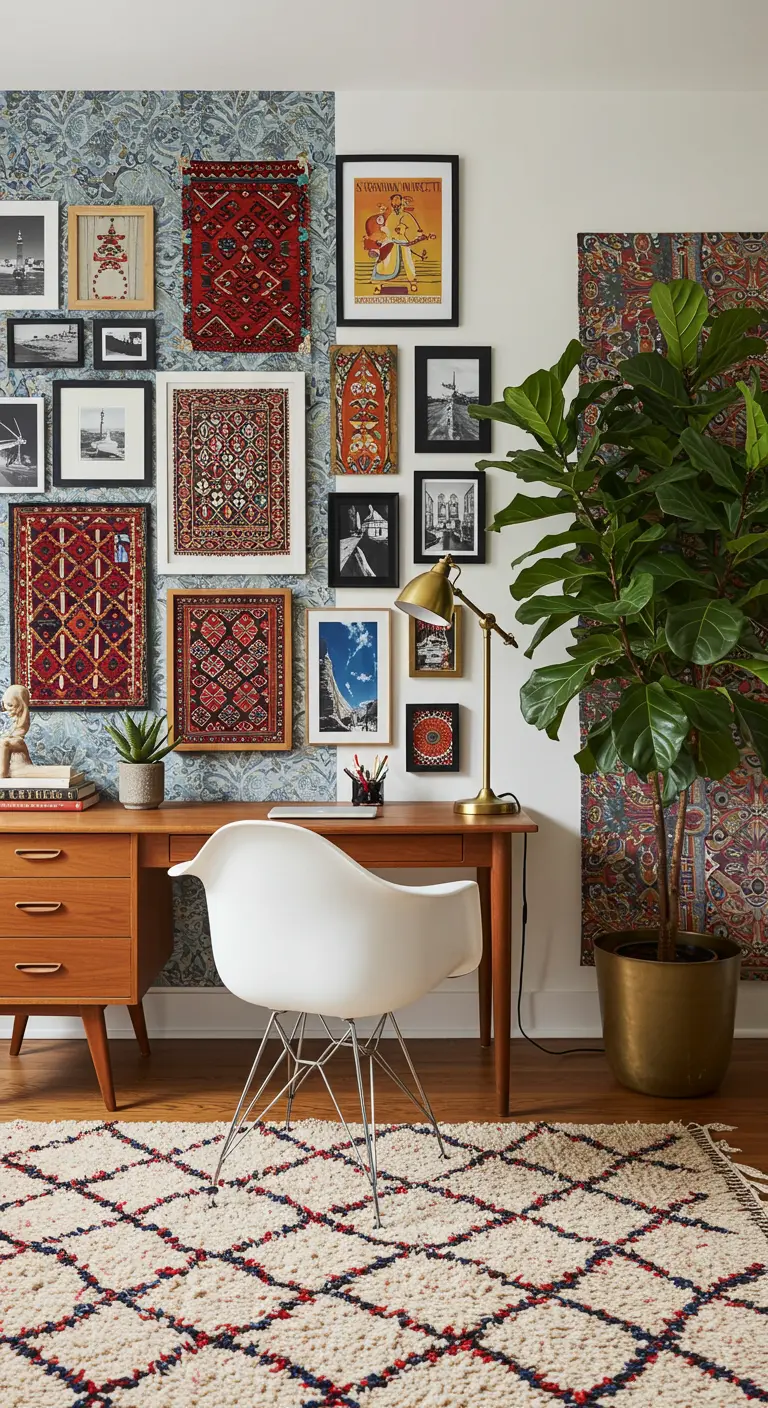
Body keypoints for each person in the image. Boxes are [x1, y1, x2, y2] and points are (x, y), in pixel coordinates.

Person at [370, 191, 434, 295]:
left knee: (408, 260)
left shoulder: (407, 215)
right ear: (391, 202)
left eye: (398, 199)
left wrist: (403, 229)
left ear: (401, 202)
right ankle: (378, 283)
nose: (396, 202)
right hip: (390, 242)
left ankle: (412, 282)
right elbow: (385, 230)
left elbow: (414, 229)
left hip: (403, 242)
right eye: (394, 200)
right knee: (381, 260)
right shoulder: (389, 217)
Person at [0, 684, 32, 777]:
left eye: (10, 705)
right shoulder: (9, 735)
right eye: (4, 704)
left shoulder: (8, 742)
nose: (6, 708)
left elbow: (2, 774)